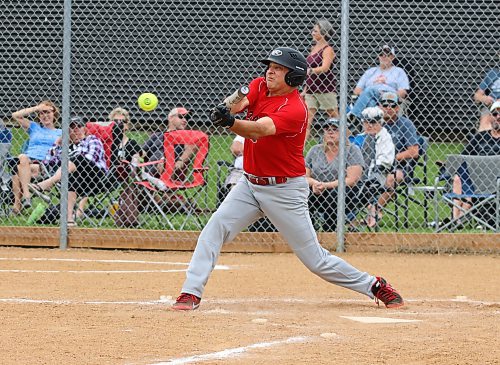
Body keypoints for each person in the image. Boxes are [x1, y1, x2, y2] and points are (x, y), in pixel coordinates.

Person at [170, 46, 404, 311]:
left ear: (293, 77)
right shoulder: (259, 85)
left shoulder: (295, 109)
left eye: (279, 68)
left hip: (285, 191)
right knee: (214, 230)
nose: (271, 71)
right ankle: (190, 293)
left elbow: (260, 129)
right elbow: (240, 101)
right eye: (270, 66)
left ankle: (373, 285)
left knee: (316, 261)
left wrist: (230, 123)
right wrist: (227, 108)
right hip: (249, 184)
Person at [29, 116, 108, 227]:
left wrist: (71, 160)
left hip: (95, 176)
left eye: (79, 126)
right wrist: (57, 142)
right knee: (72, 178)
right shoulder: (64, 147)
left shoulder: (92, 140)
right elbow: (47, 162)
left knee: (79, 159)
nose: (75, 129)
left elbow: (91, 159)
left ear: (84, 129)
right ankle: (69, 219)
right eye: (72, 127)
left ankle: (47, 184)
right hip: (75, 179)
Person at [368, 92, 419, 227]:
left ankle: (375, 210)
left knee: (391, 179)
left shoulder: (406, 124)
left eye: (393, 105)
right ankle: (352, 217)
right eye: (385, 104)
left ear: (398, 108)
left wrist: (390, 158)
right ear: (379, 106)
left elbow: (414, 151)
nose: (388, 108)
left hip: (400, 166)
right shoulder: (373, 123)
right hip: (373, 164)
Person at [305, 118, 364, 231]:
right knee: (301, 192)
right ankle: (309, 230)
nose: (330, 132)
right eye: (327, 129)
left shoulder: (352, 150)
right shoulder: (315, 150)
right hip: (318, 189)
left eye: (335, 129)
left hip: (345, 192)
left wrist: (326, 185)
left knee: (334, 195)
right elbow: (304, 176)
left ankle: (329, 231)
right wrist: (315, 183)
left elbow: (351, 180)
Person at [451, 100, 500, 224]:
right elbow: (463, 156)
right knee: (459, 177)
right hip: (476, 176)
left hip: (496, 178)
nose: (498, 117)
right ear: (490, 117)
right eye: (495, 114)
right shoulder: (480, 137)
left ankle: (458, 220)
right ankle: (456, 218)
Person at [10, 100, 62, 214]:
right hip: (27, 161)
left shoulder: (60, 133)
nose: (45, 115)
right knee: (22, 158)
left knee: (17, 169)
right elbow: (15, 115)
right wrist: (36, 108)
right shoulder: (34, 127)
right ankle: (27, 196)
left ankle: (17, 204)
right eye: (42, 113)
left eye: (48, 112)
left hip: (45, 165)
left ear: (54, 114)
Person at [354, 107, 395, 227]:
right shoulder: (360, 137)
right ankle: (350, 219)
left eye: (373, 122)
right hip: (357, 174)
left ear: (380, 122)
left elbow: (386, 161)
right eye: (366, 122)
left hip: (377, 175)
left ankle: (372, 211)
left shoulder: (385, 138)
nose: (369, 125)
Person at [349, 45, 410, 123]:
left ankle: (354, 116)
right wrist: (368, 94)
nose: (384, 56)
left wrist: (387, 95)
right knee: (371, 97)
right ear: (378, 57)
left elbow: (402, 92)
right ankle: (374, 122)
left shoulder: (399, 71)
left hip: (389, 97)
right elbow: (357, 90)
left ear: (392, 57)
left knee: (370, 89)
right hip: (371, 99)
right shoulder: (370, 71)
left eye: (387, 54)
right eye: (381, 54)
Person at [302, 19, 338, 139]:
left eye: (315, 31)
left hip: (325, 88)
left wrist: (310, 71)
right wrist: (305, 89)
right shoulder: (313, 48)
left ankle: (347, 143)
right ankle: (300, 151)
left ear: (323, 33)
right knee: (307, 120)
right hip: (311, 89)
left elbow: (325, 67)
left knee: (334, 117)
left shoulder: (328, 49)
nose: (312, 33)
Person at [142, 106, 196, 181]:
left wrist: (179, 160)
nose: (185, 120)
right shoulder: (157, 135)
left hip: (170, 169)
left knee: (166, 165)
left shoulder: (185, 136)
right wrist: (137, 157)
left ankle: (149, 182)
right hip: (148, 167)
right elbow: (142, 151)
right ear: (170, 118)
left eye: (187, 118)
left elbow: (192, 148)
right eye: (181, 116)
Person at [473, 53, 499, 131]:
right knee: (485, 119)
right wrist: (485, 98)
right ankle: (486, 142)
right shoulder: (493, 73)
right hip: (492, 106)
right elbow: (477, 96)